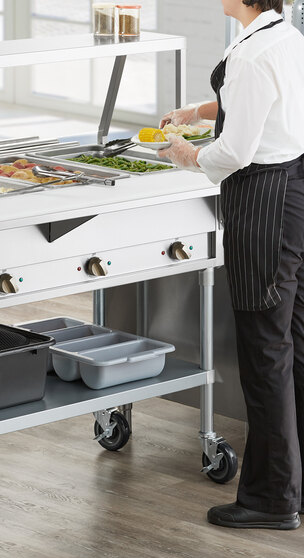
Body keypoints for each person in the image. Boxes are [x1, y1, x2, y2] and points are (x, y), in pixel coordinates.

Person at [158, 0, 304, 529]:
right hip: (293, 193)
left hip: (261, 200)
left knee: (265, 350)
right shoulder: (285, 36)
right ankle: (294, 483)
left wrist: (188, 154)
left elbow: (236, 150)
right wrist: (198, 113)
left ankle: (271, 499)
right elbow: (257, 108)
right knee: (292, 345)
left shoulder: (253, 53)